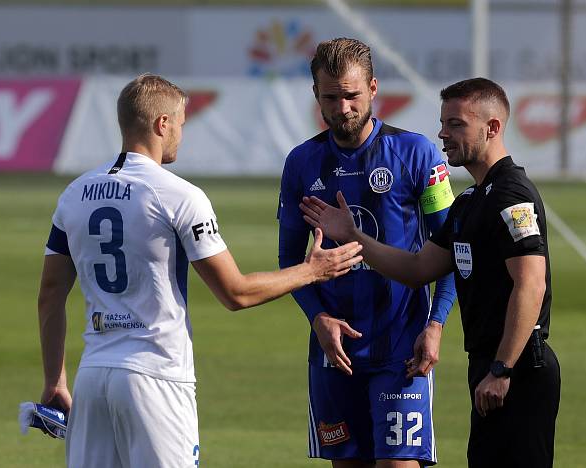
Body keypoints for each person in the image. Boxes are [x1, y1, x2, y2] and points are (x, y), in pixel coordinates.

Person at [36, 73, 363, 468]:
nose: (180, 135)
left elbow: (51, 293)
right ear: (162, 124)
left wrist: (55, 380)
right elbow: (235, 292)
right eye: (180, 125)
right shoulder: (178, 195)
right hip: (155, 375)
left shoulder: (75, 193)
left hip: (92, 377)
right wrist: (313, 270)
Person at [300, 77, 561, 468]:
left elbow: (531, 284)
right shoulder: (471, 202)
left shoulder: (512, 195)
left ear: (492, 128)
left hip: (518, 368)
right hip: (489, 367)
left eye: (456, 124)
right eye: (443, 123)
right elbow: (418, 268)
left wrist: (503, 368)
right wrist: (354, 237)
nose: (442, 133)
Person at [278, 38, 457, 467]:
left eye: (352, 95)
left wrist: (436, 324)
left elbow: (450, 251)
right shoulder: (301, 163)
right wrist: (318, 318)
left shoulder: (417, 154)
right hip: (333, 352)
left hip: (402, 347)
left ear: (374, 88)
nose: (342, 108)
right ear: (316, 95)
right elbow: (289, 263)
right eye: (331, 97)